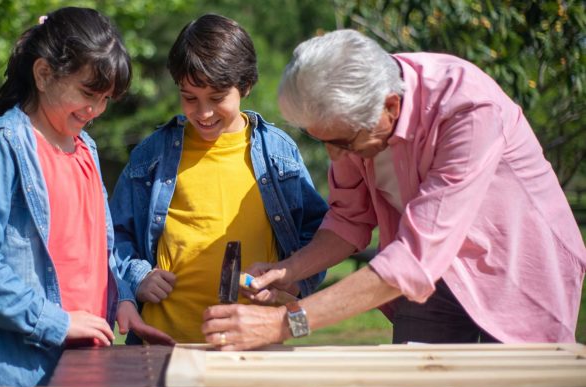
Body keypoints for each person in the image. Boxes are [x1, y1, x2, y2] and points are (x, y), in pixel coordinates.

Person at [202, 29, 586, 350]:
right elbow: (349, 220)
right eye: (323, 141)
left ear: (390, 105)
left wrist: (284, 324)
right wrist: (289, 269)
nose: (336, 154)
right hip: (430, 282)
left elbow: (413, 261)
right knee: (420, 386)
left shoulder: (468, 109)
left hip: (515, 272)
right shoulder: (352, 112)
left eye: (344, 142)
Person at [0, 7, 173, 387]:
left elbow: (96, 248)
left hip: (87, 362)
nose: (97, 110)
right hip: (18, 370)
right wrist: (54, 322)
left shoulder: (87, 148)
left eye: (106, 99)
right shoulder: (3, 145)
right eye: (89, 93)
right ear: (43, 74)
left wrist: (120, 297)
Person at [109, 14, 328, 344]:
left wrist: (294, 282)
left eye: (217, 98)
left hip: (254, 342)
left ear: (245, 86)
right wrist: (138, 277)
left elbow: (319, 231)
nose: (204, 112)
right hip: (161, 342)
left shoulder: (279, 153)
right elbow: (115, 234)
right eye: (190, 98)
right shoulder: (152, 154)